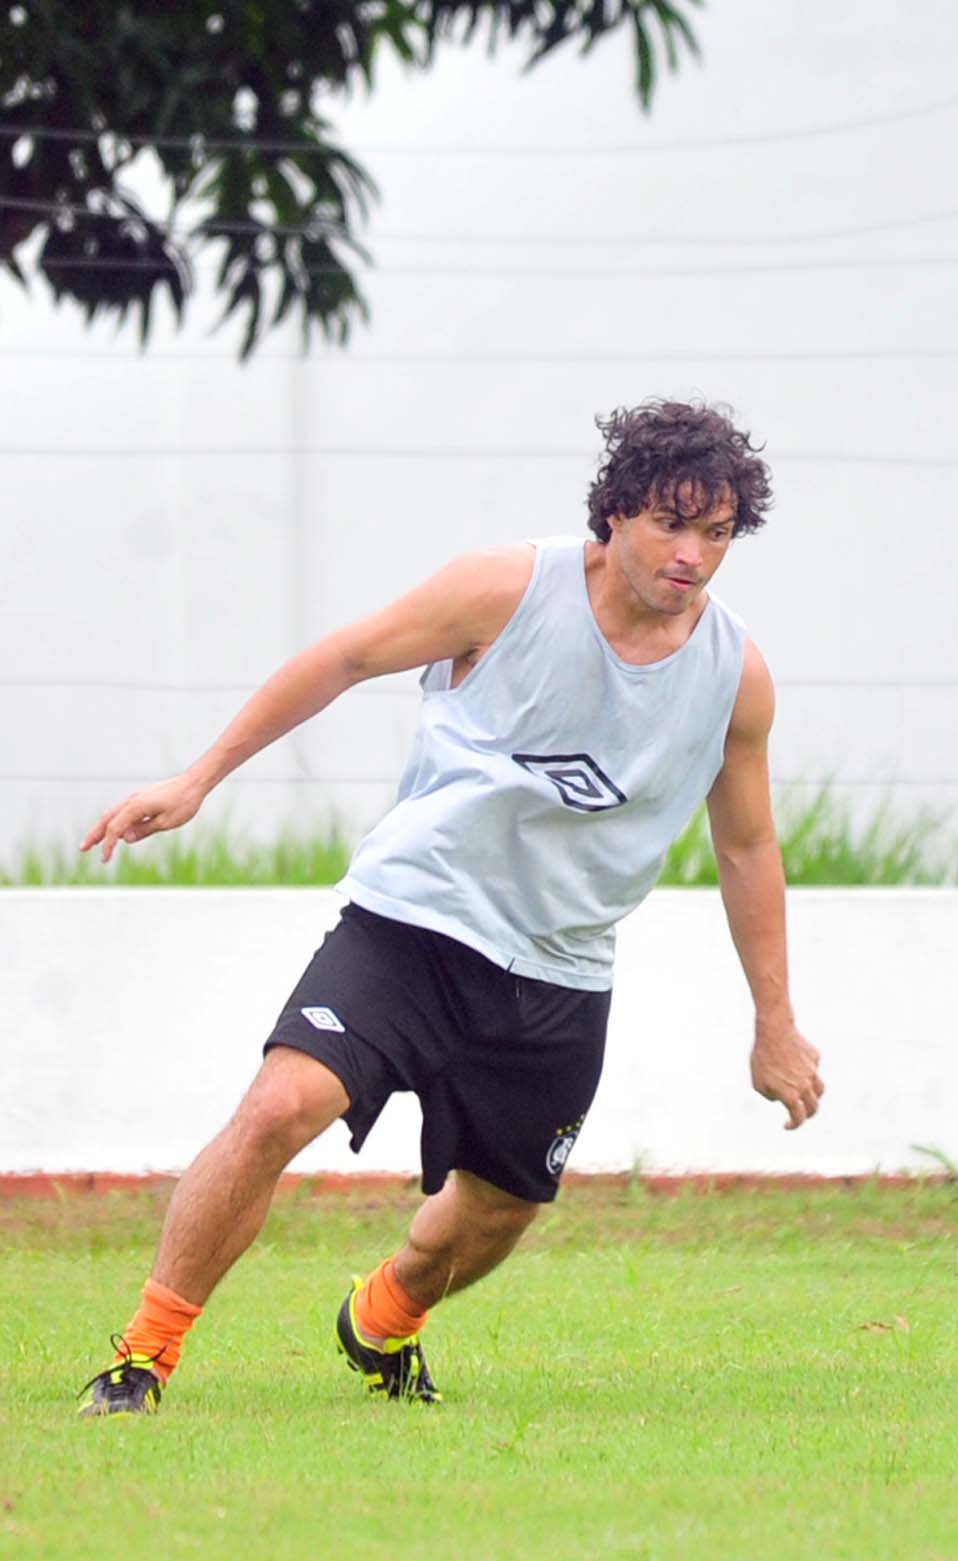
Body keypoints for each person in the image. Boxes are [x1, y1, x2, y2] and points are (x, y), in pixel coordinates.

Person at [75, 400, 824, 1415]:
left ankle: (383, 1315)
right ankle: (143, 1356)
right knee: (282, 1105)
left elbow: (746, 845)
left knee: (497, 1211)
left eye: (718, 533)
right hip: (415, 921)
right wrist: (200, 777)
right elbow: (344, 659)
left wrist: (774, 1020)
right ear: (615, 512)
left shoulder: (736, 675)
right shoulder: (505, 588)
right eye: (671, 523)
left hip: (561, 967)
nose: (692, 555)